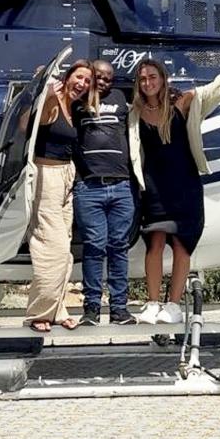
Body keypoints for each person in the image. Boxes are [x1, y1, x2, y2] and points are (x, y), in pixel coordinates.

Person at [129, 49, 220, 325]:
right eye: (142, 79)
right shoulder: (135, 112)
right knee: (153, 244)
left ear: (163, 78)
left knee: (182, 246)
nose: (147, 83)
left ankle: (173, 305)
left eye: (152, 77)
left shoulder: (184, 103)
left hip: (184, 186)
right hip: (154, 187)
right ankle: (152, 303)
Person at [25, 60, 97, 333]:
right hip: (47, 177)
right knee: (50, 248)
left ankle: (56, 310)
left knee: (64, 253)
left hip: (66, 176)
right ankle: (38, 313)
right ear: (67, 78)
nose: (82, 84)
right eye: (79, 77)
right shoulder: (53, 103)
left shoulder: (73, 109)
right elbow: (30, 124)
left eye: (87, 81)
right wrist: (45, 89)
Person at [72, 60, 138, 326]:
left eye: (108, 79)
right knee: (94, 247)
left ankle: (120, 308)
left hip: (121, 185)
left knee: (118, 248)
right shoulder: (77, 104)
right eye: (98, 77)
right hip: (89, 187)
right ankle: (91, 308)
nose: (103, 82)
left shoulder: (121, 97)